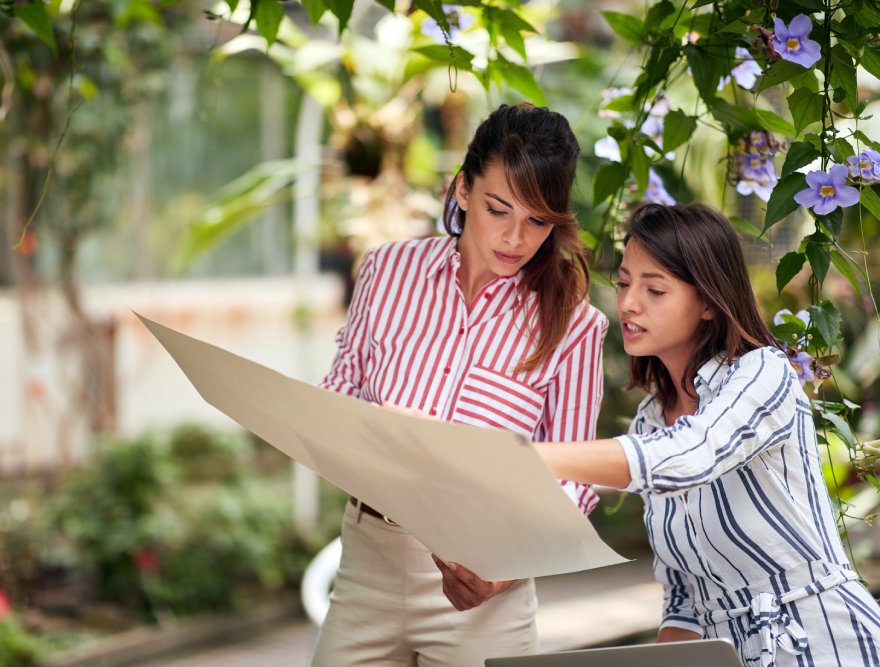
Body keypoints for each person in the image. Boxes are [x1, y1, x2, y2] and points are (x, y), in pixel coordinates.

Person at [311, 103, 608, 666]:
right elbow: (340, 393)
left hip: (486, 587)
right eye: (499, 209)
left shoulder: (573, 323)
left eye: (538, 221)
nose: (516, 239)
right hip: (366, 566)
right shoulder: (385, 272)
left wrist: (502, 570)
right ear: (463, 189)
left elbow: (576, 478)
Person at [535, 202, 880, 666]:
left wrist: (528, 455)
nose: (629, 302)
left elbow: (691, 456)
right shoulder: (651, 420)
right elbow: (683, 597)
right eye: (623, 283)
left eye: (654, 289)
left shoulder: (764, 373)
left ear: (708, 303)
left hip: (821, 641)